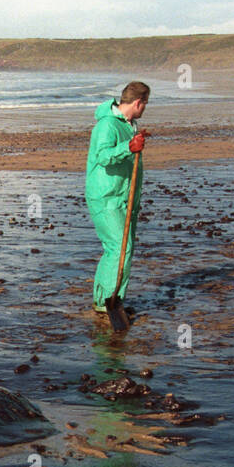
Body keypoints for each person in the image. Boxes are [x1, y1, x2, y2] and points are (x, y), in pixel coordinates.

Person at [85, 80, 149, 322]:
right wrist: (128, 147)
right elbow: (102, 156)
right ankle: (107, 302)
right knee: (119, 248)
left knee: (120, 248)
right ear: (137, 102)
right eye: (145, 104)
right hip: (106, 195)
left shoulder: (130, 125)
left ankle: (110, 299)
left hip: (125, 195)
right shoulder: (107, 126)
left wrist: (133, 142)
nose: (144, 109)